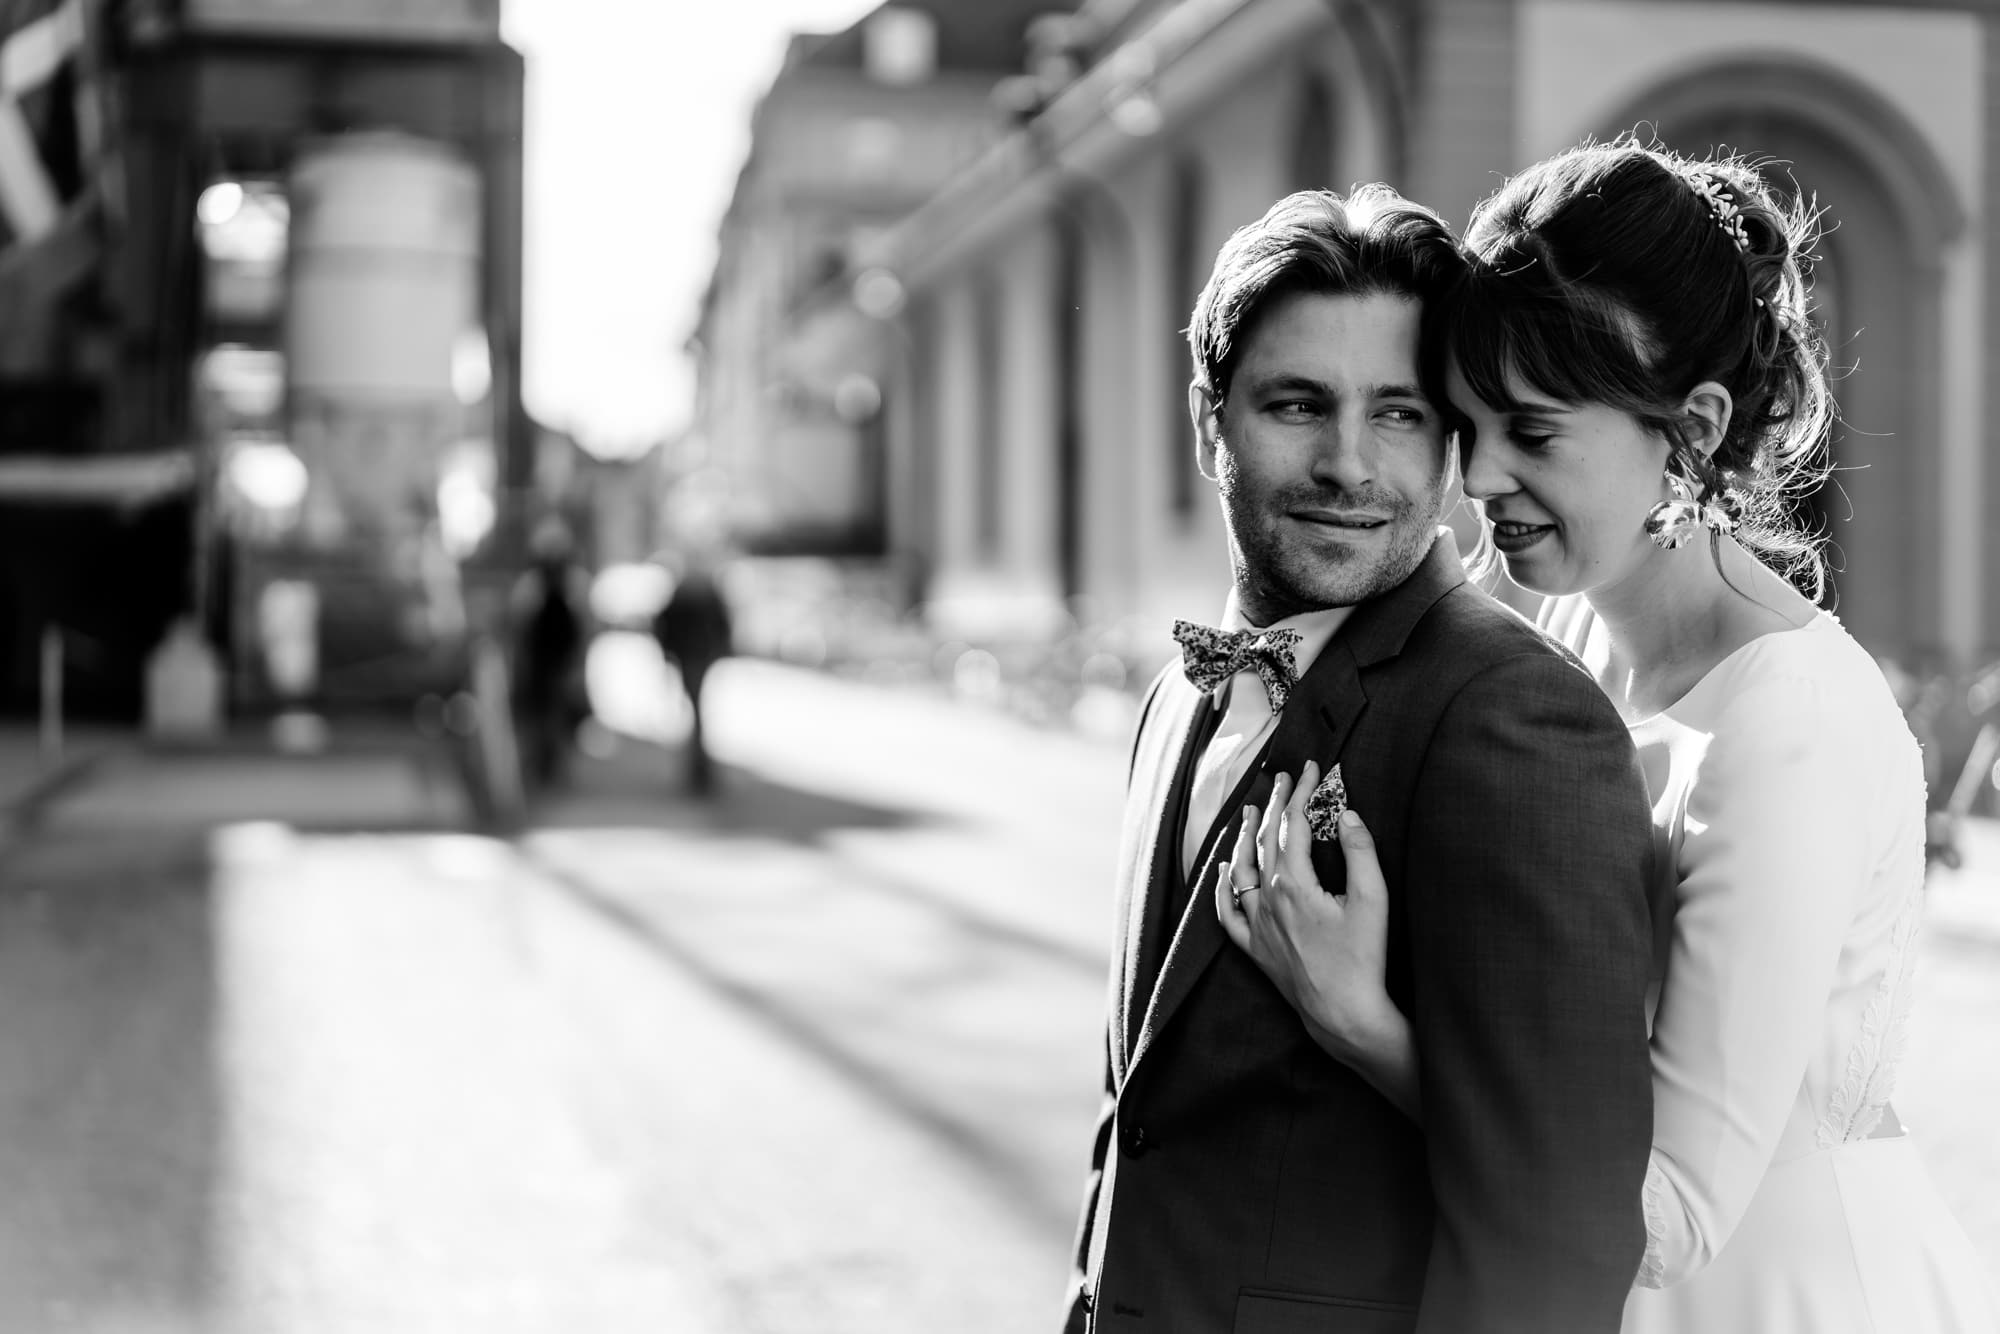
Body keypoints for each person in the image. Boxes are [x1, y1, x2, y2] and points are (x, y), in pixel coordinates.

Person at [1219, 141, 2000, 1332]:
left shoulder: (1782, 730)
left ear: (1689, 427)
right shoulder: (1571, 628)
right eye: (1467, 423)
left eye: (1531, 434)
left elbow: (1669, 1210)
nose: (1477, 474)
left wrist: (1366, 1023)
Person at [1064, 186, 1658, 1334]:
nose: (1349, 464)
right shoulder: (1167, 701)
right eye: (1298, 403)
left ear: (1447, 438)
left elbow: (1558, 1233)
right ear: (1207, 421)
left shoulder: (1515, 717)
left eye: (1396, 413)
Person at [651, 553, 733, 795]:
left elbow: (664, 627)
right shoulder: (701, 593)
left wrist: (668, 654)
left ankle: (699, 768)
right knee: (697, 712)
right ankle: (699, 768)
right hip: (697, 657)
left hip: (691, 658)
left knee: (695, 711)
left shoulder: (684, 593)